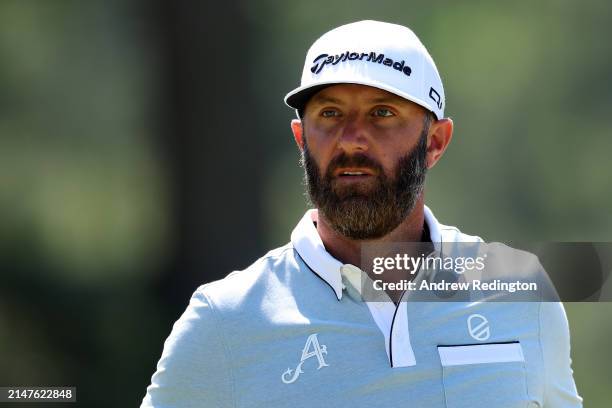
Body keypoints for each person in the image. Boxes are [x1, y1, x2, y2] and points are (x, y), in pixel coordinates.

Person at [141, 20, 582, 407]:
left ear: (435, 142)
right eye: (330, 114)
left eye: (382, 114)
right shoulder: (224, 321)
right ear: (301, 137)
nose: (352, 139)